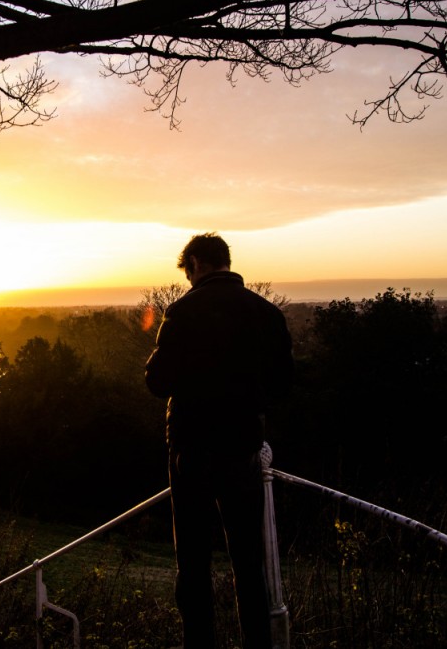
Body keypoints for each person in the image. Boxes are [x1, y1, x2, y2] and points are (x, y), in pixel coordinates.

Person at [145, 232, 293, 649]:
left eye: (188, 271)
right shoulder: (265, 313)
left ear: (195, 263)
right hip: (243, 448)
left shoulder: (183, 312)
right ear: (225, 262)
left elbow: (157, 382)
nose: (188, 280)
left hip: (191, 449)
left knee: (193, 563)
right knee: (249, 564)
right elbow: (283, 385)